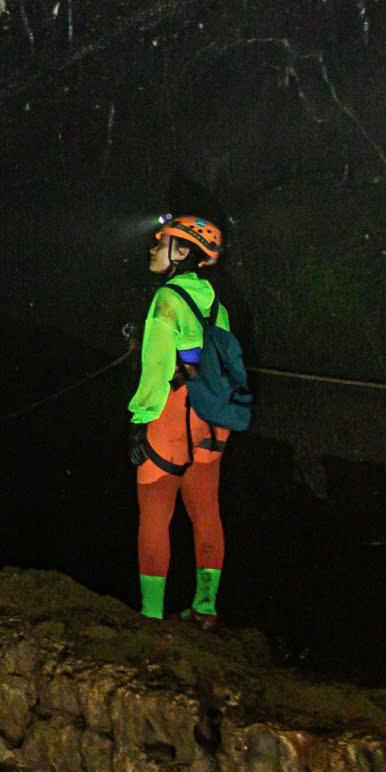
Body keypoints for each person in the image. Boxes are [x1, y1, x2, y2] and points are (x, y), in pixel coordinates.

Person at [128, 214, 231, 629]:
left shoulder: (165, 300)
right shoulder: (215, 302)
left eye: (162, 243)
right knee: (206, 513)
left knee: (154, 514)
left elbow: (154, 371)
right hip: (210, 420)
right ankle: (205, 608)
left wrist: (139, 421)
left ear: (183, 252)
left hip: (169, 420)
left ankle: (151, 614)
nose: (154, 249)